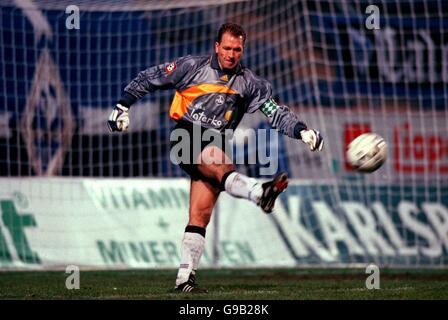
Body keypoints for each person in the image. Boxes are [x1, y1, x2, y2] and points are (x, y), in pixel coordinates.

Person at [107, 23, 323, 293]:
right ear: (216, 46)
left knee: (201, 214)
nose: (232, 54)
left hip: (217, 141)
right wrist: (122, 105)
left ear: (243, 50)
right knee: (221, 163)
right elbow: (150, 77)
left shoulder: (250, 84)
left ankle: (184, 280)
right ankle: (259, 192)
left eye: (238, 50)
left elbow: (275, 112)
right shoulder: (192, 67)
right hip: (186, 134)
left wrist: (301, 131)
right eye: (227, 48)